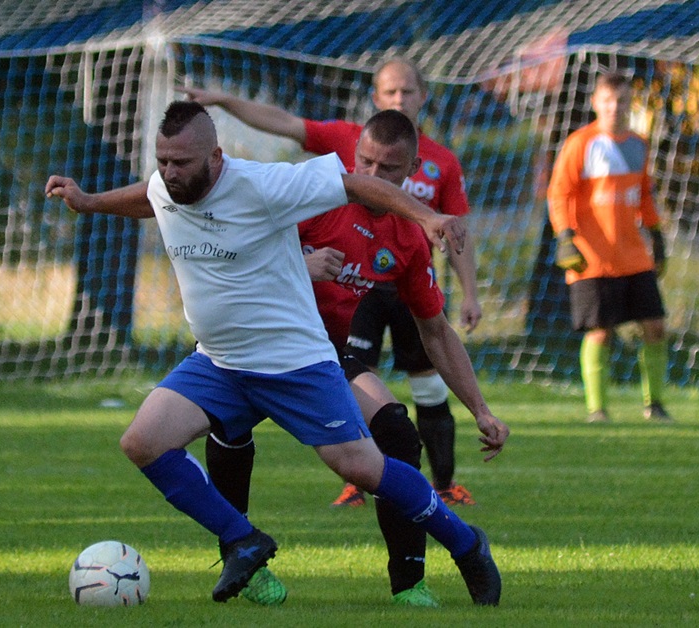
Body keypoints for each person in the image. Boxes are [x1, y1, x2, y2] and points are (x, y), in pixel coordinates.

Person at [44, 101, 504, 606]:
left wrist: (429, 216)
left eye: (183, 163)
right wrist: (88, 202)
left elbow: (352, 185)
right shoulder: (167, 184)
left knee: (364, 468)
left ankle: (466, 544)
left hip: (295, 363)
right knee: (142, 442)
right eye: (164, 160)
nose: (171, 173)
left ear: (215, 158)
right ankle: (243, 540)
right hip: (219, 361)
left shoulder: (262, 185)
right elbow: (150, 198)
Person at [205, 109, 509, 607]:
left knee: (396, 432)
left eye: (387, 169)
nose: (370, 177)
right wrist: (301, 265)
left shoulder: (408, 238)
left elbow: (436, 331)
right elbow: (231, 248)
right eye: (362, 162)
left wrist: (481, 409)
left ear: (413, 170)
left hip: (319, 358)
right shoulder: (313, 197)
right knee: (220, 430)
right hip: (251, 346)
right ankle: (244, 558)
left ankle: (410, 583)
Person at [180, 57, 481, 507]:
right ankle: (246, 536)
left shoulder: (441, 169)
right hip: (292, 314)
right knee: (166, 438)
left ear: (423, 97)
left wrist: (482, 406)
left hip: (394, 280)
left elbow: (457, 238)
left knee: (412, 404)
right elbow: (281, 127)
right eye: (391, 91)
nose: (371, 178)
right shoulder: (328, 161)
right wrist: (223, 100)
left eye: (408, 91)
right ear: (374, 100)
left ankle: (429, 519)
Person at [547, 72, 671, 424]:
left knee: (656, 326)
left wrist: (657, 236)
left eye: (622, 101)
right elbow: (558, 193)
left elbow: (644, 195)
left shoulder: (639, 144)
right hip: (591, 256)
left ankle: (655, 405)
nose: (615, 107)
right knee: (601, 331)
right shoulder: (580, 144)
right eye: (608, 101)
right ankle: (597, 410)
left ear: (630, 104)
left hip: (633, 255)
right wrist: (566, 237)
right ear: (596, 103)